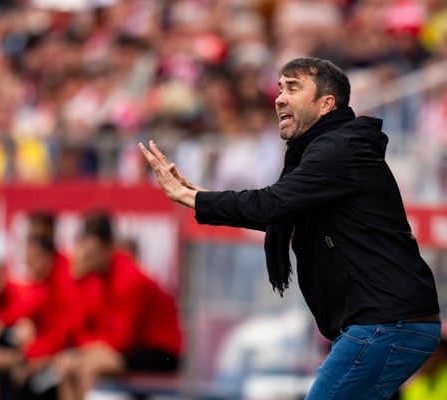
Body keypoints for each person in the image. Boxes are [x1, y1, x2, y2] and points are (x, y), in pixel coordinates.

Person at [139, 57, 442, 399]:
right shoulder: (328, 150)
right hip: (388, 322)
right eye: (280, 88)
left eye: (293, 88)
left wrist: (193, 198)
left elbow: (270, 204)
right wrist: (199, 194)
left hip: (386, 323)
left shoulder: (339, 149)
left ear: (326, 104)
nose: (280, 98)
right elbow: (276, 205)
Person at [51, 211, 183, 400]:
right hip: (131, 346)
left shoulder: (129, 280)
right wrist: (76, 282)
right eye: (84, 252)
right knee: (66, 366)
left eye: (93, 253)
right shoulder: (95, 278)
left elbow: (123, 339)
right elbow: (79, 326)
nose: (88, 258)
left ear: (108, 249)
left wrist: (86, 351)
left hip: (161, 350)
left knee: (89, 366)